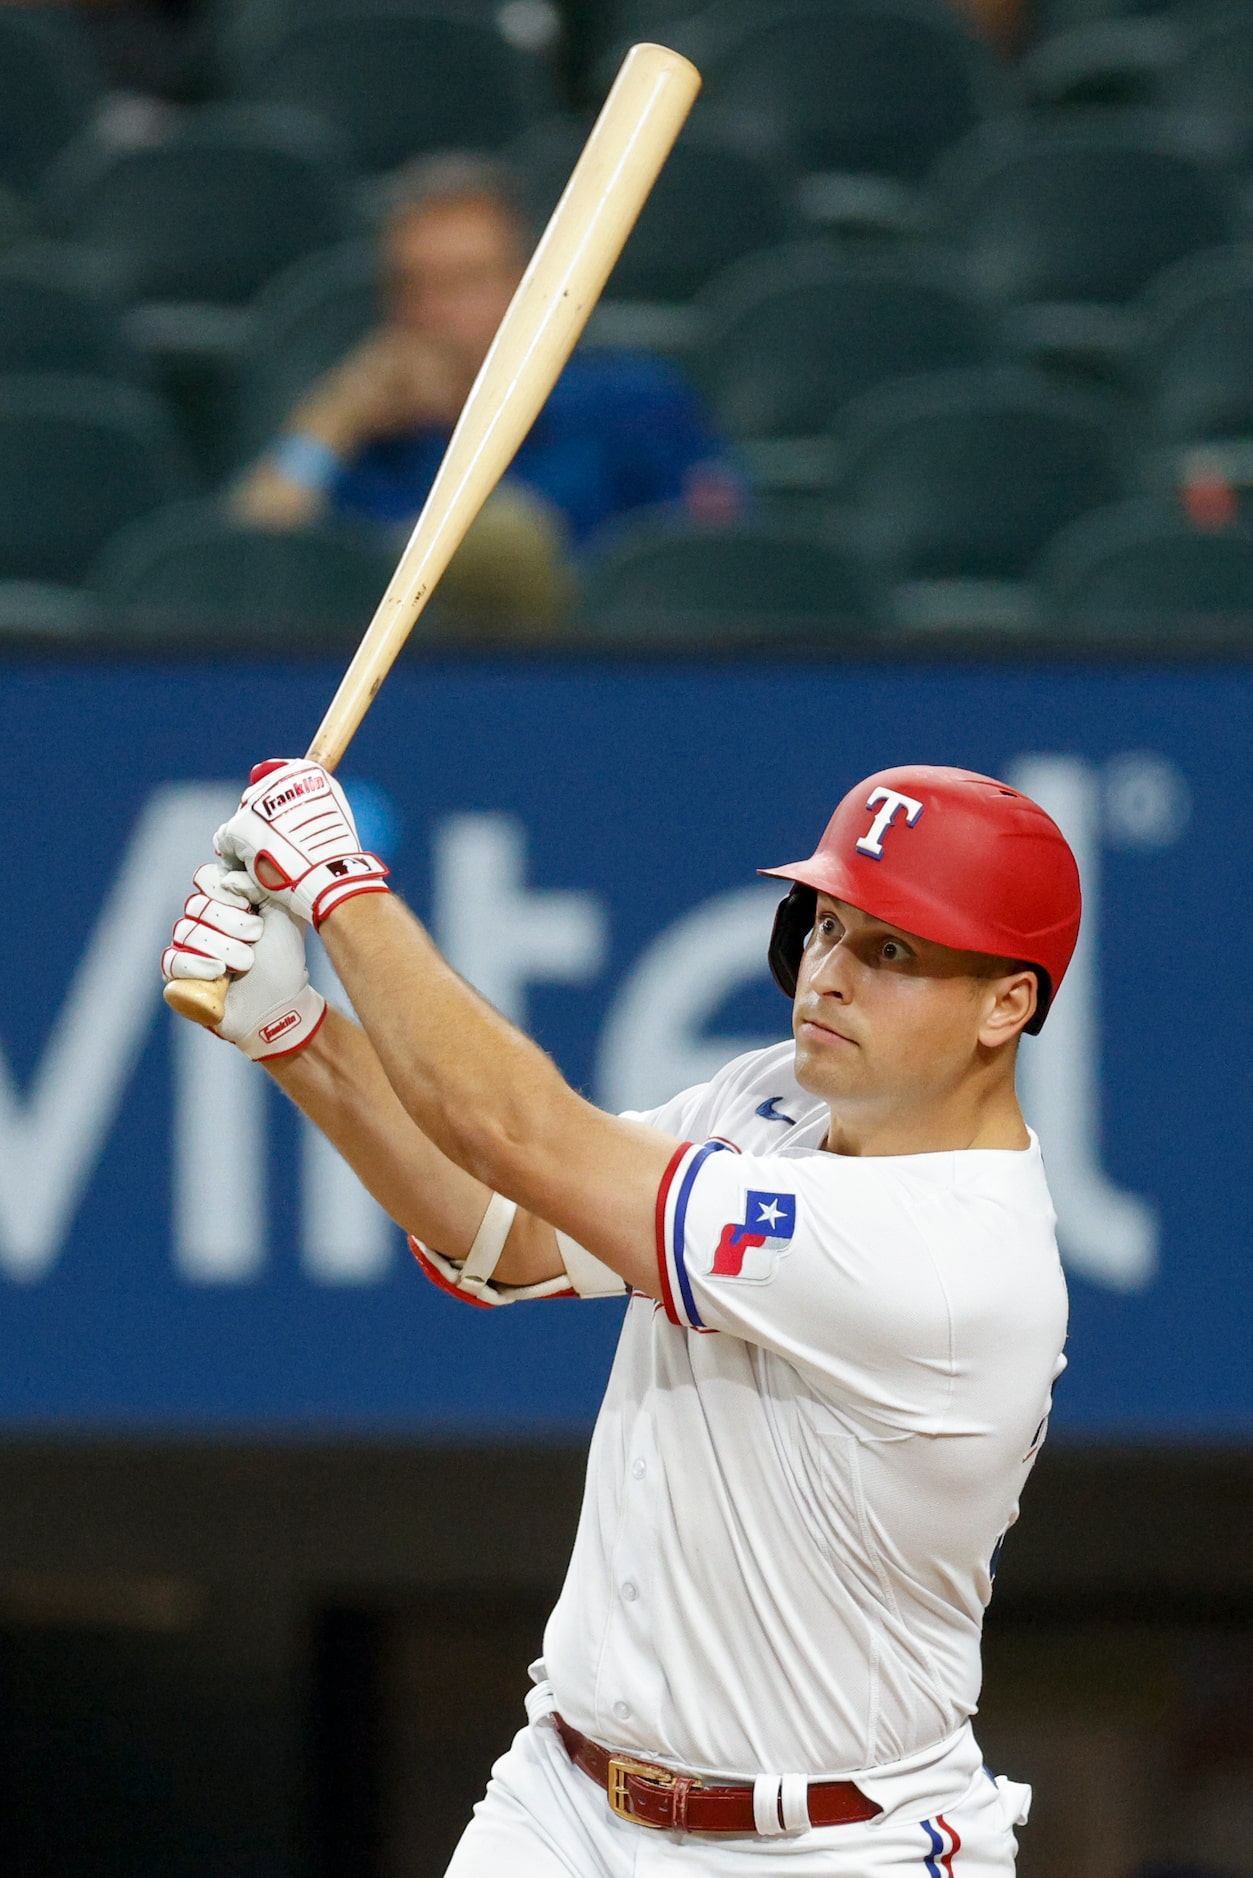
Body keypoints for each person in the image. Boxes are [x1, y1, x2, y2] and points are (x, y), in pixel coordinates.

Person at [162, 759, 1080, 1872]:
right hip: (564, 1801)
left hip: (835, 1843)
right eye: (829, 926)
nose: (829, 976)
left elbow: (518, 1134)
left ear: (1006, 1002)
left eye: (893, 951)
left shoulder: (949, 1257)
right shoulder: (774, 1097)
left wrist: (339, 891)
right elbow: (501, 1234)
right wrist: (293, 1028)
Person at [234, 153, 742, 631]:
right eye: (412, 284)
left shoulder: (631, 402)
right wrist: (330, 423)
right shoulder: (365, 432)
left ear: (528, 285)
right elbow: (246, 572)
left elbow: (714, 566)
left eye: (463, 281)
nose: (432, 311)